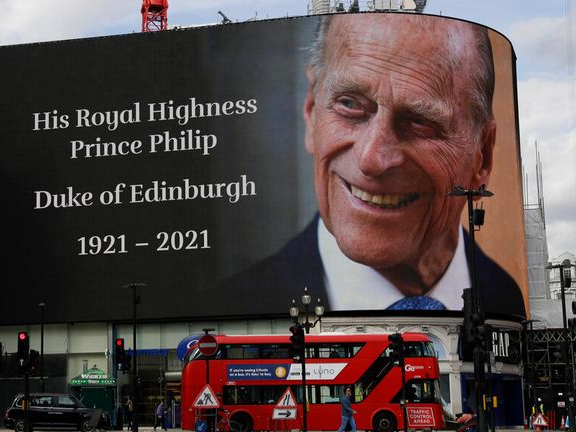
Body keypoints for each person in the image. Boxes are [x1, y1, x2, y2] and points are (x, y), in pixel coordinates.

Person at [220, 13, 524, 316]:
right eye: (349, 104)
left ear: (482, 153)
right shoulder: (235, 304)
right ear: (312, 111)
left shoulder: (508, 301)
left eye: (420, 122)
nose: (371, 159)